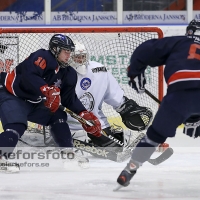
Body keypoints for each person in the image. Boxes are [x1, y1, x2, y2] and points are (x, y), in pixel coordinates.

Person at [0, 34, 102, 173]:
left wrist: (83, 113)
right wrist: (46, 89)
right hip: (11, 94)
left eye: (70, 51)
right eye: (66, 51)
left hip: (34, 101)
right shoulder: (42, 56)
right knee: (17, 126)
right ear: (55, 49)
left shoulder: (69, 73)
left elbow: (69, 99)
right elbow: (29, 76)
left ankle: (68, 154)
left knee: (58, 115)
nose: (69, 55)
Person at [116, 19, 200, 187]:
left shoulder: (179, 42)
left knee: (154, 136)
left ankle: (131, 168)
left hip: (179, 95)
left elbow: (145, 49)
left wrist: (135, 72)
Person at [61, 40, 153, 149]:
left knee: (114, 146)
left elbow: (113, 94)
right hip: (66, 124)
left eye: (83, 56)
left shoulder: (98, 70)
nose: (80, 60)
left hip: (95, 123)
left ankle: (90, 141)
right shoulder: (59, 73)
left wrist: (125, 107)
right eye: (77, 57)